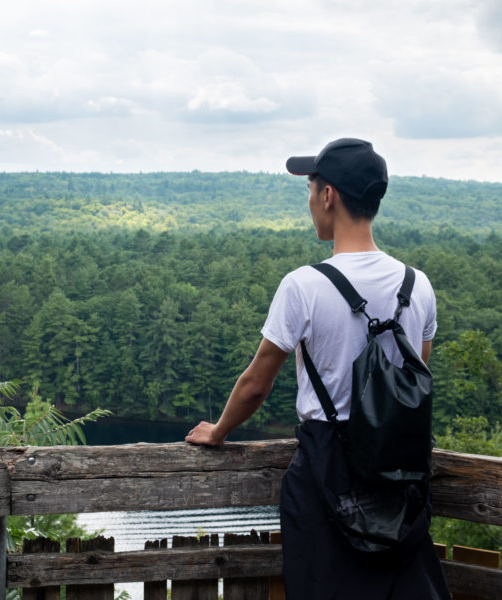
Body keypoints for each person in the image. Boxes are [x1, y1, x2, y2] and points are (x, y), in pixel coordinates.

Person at [185, 138, 450, 599]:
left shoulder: (304, 286)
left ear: (328, 196)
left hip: (329, 464)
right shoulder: (418, 284)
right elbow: (416, 377)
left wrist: (219, 431)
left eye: (311, 189)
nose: (309, 201)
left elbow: (255, 385)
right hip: (399, 470)